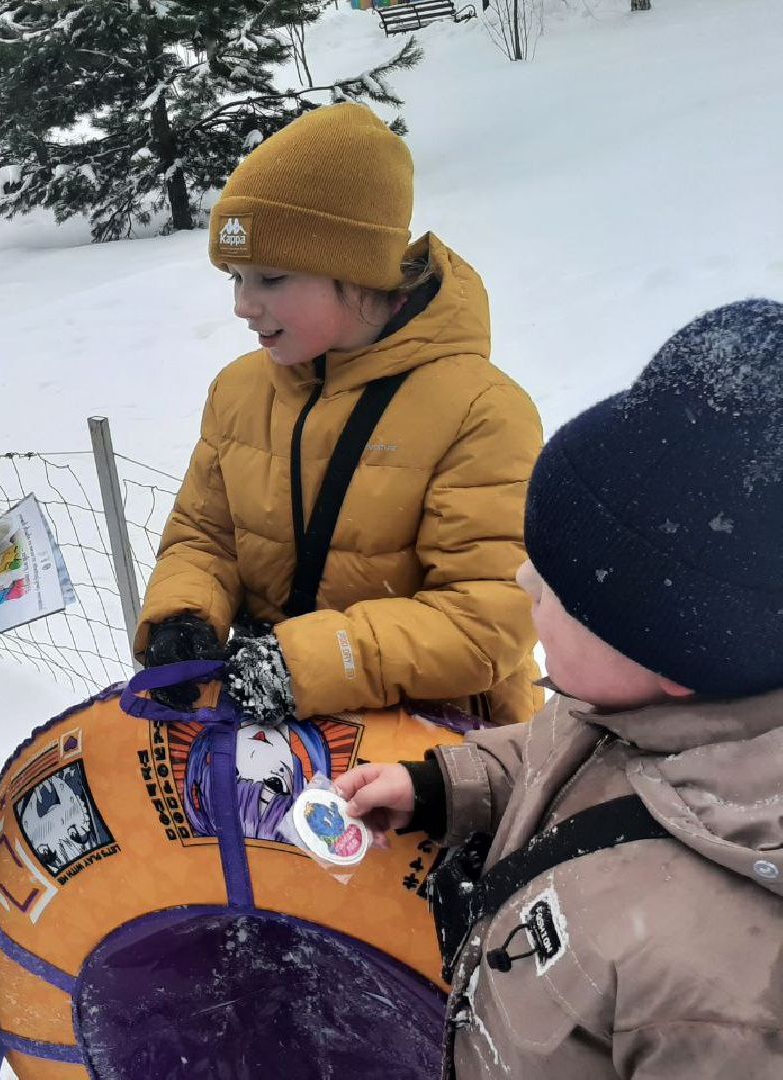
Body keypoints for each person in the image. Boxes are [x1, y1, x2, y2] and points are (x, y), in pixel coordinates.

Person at [337, 299, 783, 1078]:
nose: (522, 581)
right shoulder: (625, 706)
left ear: (673, 653)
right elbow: (555, 752)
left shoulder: (723, 990)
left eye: (557, 587)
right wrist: (443, 787)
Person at [138, 102, 543, 735]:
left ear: (355, 271)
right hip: (285, 744)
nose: (244, 305)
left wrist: (301, 665)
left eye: (271, 277)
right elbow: (205, 535)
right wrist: (184, 614)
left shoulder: (479, 411)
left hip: (441, 759)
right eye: (235, 278)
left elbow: (484, 621)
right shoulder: (240, 391)